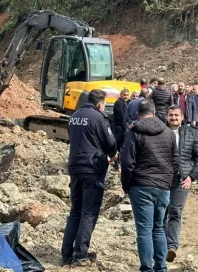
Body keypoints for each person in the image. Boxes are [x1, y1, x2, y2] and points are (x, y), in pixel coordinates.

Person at [61, 89, 117, 265]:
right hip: (92, 169)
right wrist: (113, 154)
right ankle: (81, 253)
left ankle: (66, 253)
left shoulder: (74, 116)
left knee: (75, 211)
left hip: (75, 168)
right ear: (100, 103)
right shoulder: (98, 118)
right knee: (89, 212)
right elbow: (110, 144)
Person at [121, 100, 178, 272]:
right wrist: (169, 182)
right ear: (154, 112)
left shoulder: (134, 131)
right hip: (163, 186)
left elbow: (127, 162)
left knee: (144, 229)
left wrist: (126, 184)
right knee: (158, 227)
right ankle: (161, 267)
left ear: (138, 114)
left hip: (141, 185)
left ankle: (147, 268)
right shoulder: (168, 132)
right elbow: (175, 161)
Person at [165, 105, 198, 262]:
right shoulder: (161, 132)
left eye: (176, 115)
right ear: (167, 116)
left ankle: (172, 246)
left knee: (175, 211)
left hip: (182, 179)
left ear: (182, 118)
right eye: (171, 115)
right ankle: (161, 245)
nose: (174, 118)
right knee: (162, 212)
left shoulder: (192, 133)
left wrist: (192, 177)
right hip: (163, 179)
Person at [111, 88, 129, 168]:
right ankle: (117, 163)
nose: (125, 96)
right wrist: (126, 128)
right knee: (119, 147)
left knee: (120, 146)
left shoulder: (124, 103)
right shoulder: (119, 103)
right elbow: (121, 117)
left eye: (127, 95)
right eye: (124, 95)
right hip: (119, 129)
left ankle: (118, 163)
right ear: (121, 94)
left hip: (121, 128)